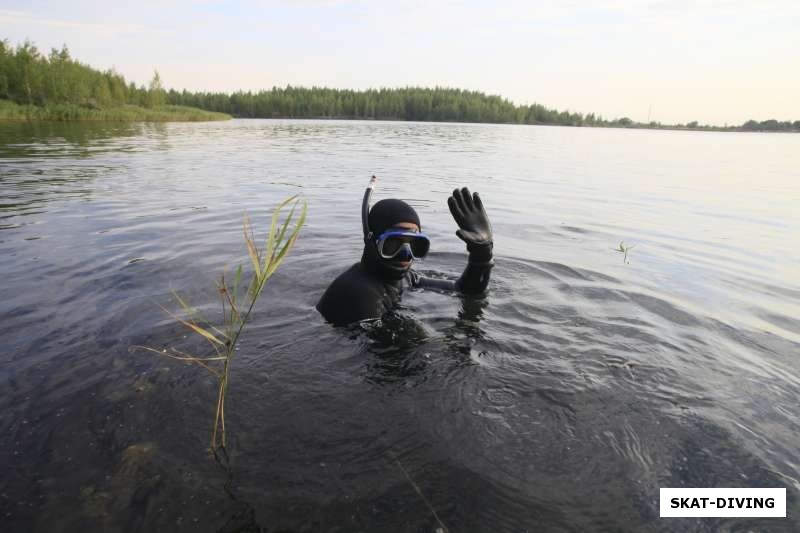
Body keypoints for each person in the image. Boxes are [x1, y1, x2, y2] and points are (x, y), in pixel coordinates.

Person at [316, 175, 494, 325]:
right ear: (372, 242)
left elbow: (464, 290)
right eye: (393, 243)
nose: (405, 254)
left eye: (415, 245)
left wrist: (482, 254)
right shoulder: (359, 293)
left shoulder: (405, 278)